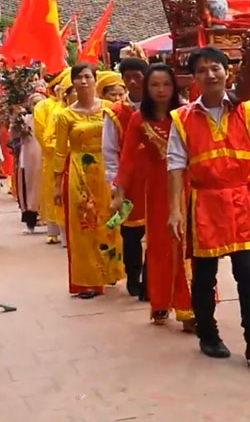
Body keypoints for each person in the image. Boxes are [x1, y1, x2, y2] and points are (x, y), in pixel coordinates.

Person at [166, 47, 250, 361]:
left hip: (239, 200)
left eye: (216, 68)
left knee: (247, 273)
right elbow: (176, 165)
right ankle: (208, 335)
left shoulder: (246, 109)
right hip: (204, 201)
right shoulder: (182, 118)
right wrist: (176, 211)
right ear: (195, 79)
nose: (210, 74)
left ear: (227, 72)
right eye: (203, 70)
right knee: (205, 276)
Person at [113, 64, 194, 329]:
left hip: (188, 185)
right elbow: (127, 159)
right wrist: (119, 190)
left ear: (174, 87)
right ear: (147, 89)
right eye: (155, 85)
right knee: (160, 247)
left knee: (190, 246)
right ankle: (160, 301)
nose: (161, 90)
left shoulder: (186, 115)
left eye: (166, 84)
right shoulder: (139, 119)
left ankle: (190, 307)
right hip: (157, 190)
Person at [53, 63, 126, 298]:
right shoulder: (65, 115)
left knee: (109, 221)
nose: (83, 81)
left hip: (107, 169)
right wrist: (56, 185)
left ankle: (110, 271)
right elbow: (60, 151)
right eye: (78, 78)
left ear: (96, 80)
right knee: (84, 223)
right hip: (79, 171)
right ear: (72, 83)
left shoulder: (110, 108)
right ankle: (87, 280)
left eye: (87, 77)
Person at [102, 57, 149, 298]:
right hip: (129, 181)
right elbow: (109, 151)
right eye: (127, 77)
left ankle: (151, 279)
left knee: (159, 232)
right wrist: (114, 182)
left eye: (137, 76)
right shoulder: (116, 113)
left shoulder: (162, 106)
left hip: (156, 178)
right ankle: (134, 276)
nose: (132, 81)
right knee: (130, 234)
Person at [36, 69, 68, 245]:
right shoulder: (44, 106)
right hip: (53, 157)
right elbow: (42, 134)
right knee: (53, 194)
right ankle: (54, 230)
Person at [16, 93, 44, 235]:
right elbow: (14, 134)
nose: (37, 107)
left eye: (40, 103)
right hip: (30, 162)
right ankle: (30, 222)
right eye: (34, 104)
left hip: (47, 160)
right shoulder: (25, 120)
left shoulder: (51, 119)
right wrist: (15, 119)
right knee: (30, 190)